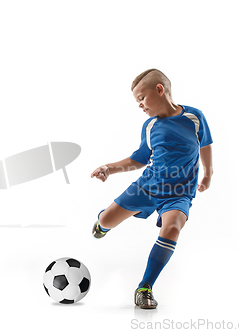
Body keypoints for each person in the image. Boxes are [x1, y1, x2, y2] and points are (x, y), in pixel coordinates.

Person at [90, 68, 213, 309]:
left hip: (179, 194)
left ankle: (145, 287)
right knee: (105, 221)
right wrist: (109, 168)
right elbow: (138, 159)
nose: (140, 106)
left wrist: (208, 173)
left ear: (159, 90)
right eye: (137, 101)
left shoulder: (194, 117)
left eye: (141, 98)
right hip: (146, 188)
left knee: (173, 227)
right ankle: (103, 221)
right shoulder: (150, 126)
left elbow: (205, 144)